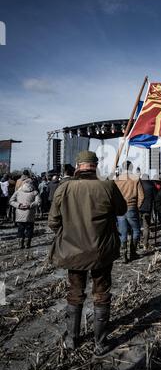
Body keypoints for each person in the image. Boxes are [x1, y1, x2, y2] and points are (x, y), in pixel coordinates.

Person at [48, 150, 127, 357]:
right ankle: (100, 344)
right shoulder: (107, 185)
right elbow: (122, 210)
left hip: (73, 253)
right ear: (95, 165)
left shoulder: (64, 188)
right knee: (101, 294)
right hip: (102, 252)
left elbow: (52, 222)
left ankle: (72, 340)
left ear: (78, 165)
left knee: (75, 293)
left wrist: (69, 235)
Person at [115, 161, 144, 263]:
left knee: (122, 232)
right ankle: (132, 253)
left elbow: (113, 195)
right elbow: (141, 196)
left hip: (120, 209)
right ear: (131, 167)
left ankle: (123, 255)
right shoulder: (135, 179)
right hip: (131, 207)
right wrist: (137, 206)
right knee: (136, 230)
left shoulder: (117, 179)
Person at [9, 179, 40, 249]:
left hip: (20, 213)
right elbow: (38, 202)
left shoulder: (18, 192)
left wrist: (19, 205)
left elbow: (11, 201)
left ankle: (20, 244)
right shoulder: (35, 192)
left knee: (20, 228)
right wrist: (30, 205)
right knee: (29, 228)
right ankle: (27, 244)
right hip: (30, 214)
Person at [140, 174, 156, 251]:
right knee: (146, 227)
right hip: (147, 208)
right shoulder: (151, 185)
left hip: (138, 207)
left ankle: (138, 242)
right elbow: (156, 197)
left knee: (136, 227)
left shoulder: (138, 184)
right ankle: (145, 244)